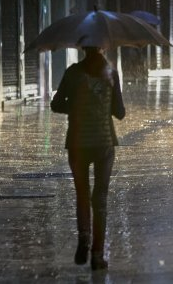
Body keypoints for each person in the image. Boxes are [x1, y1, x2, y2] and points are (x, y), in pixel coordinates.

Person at [51, 46, 126, 271]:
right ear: (103, 47)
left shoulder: (73, 72)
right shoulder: (110, 73)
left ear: (83, 47)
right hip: (103, 143)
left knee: (82, 193)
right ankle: (97, 254)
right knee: (100, 198)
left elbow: (56, 104)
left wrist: (75, 105)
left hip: (77, 142)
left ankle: (84, 236)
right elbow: (120, 112)